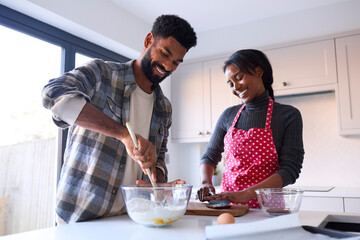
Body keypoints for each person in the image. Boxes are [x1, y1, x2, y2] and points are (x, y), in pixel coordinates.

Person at [42, 14, 197, 223]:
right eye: (164, 53)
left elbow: (159, 157)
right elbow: (53, 94)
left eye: (176, 62)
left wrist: (160, 182)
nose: (168, 67)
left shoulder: (164, 107)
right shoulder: (102, 73)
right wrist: (123, 134)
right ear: (148, 40)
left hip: (129, 219)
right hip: (78, 218)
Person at [197, 49, 304, 208]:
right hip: (228, 207)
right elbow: (210, 156)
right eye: (230, 83)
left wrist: (246, 194)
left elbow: (290, 170)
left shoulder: (288, 115)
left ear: (258, 71)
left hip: (268, 208)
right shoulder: (228, 115)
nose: (235, 87)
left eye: (239, 78)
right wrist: (206, 183)